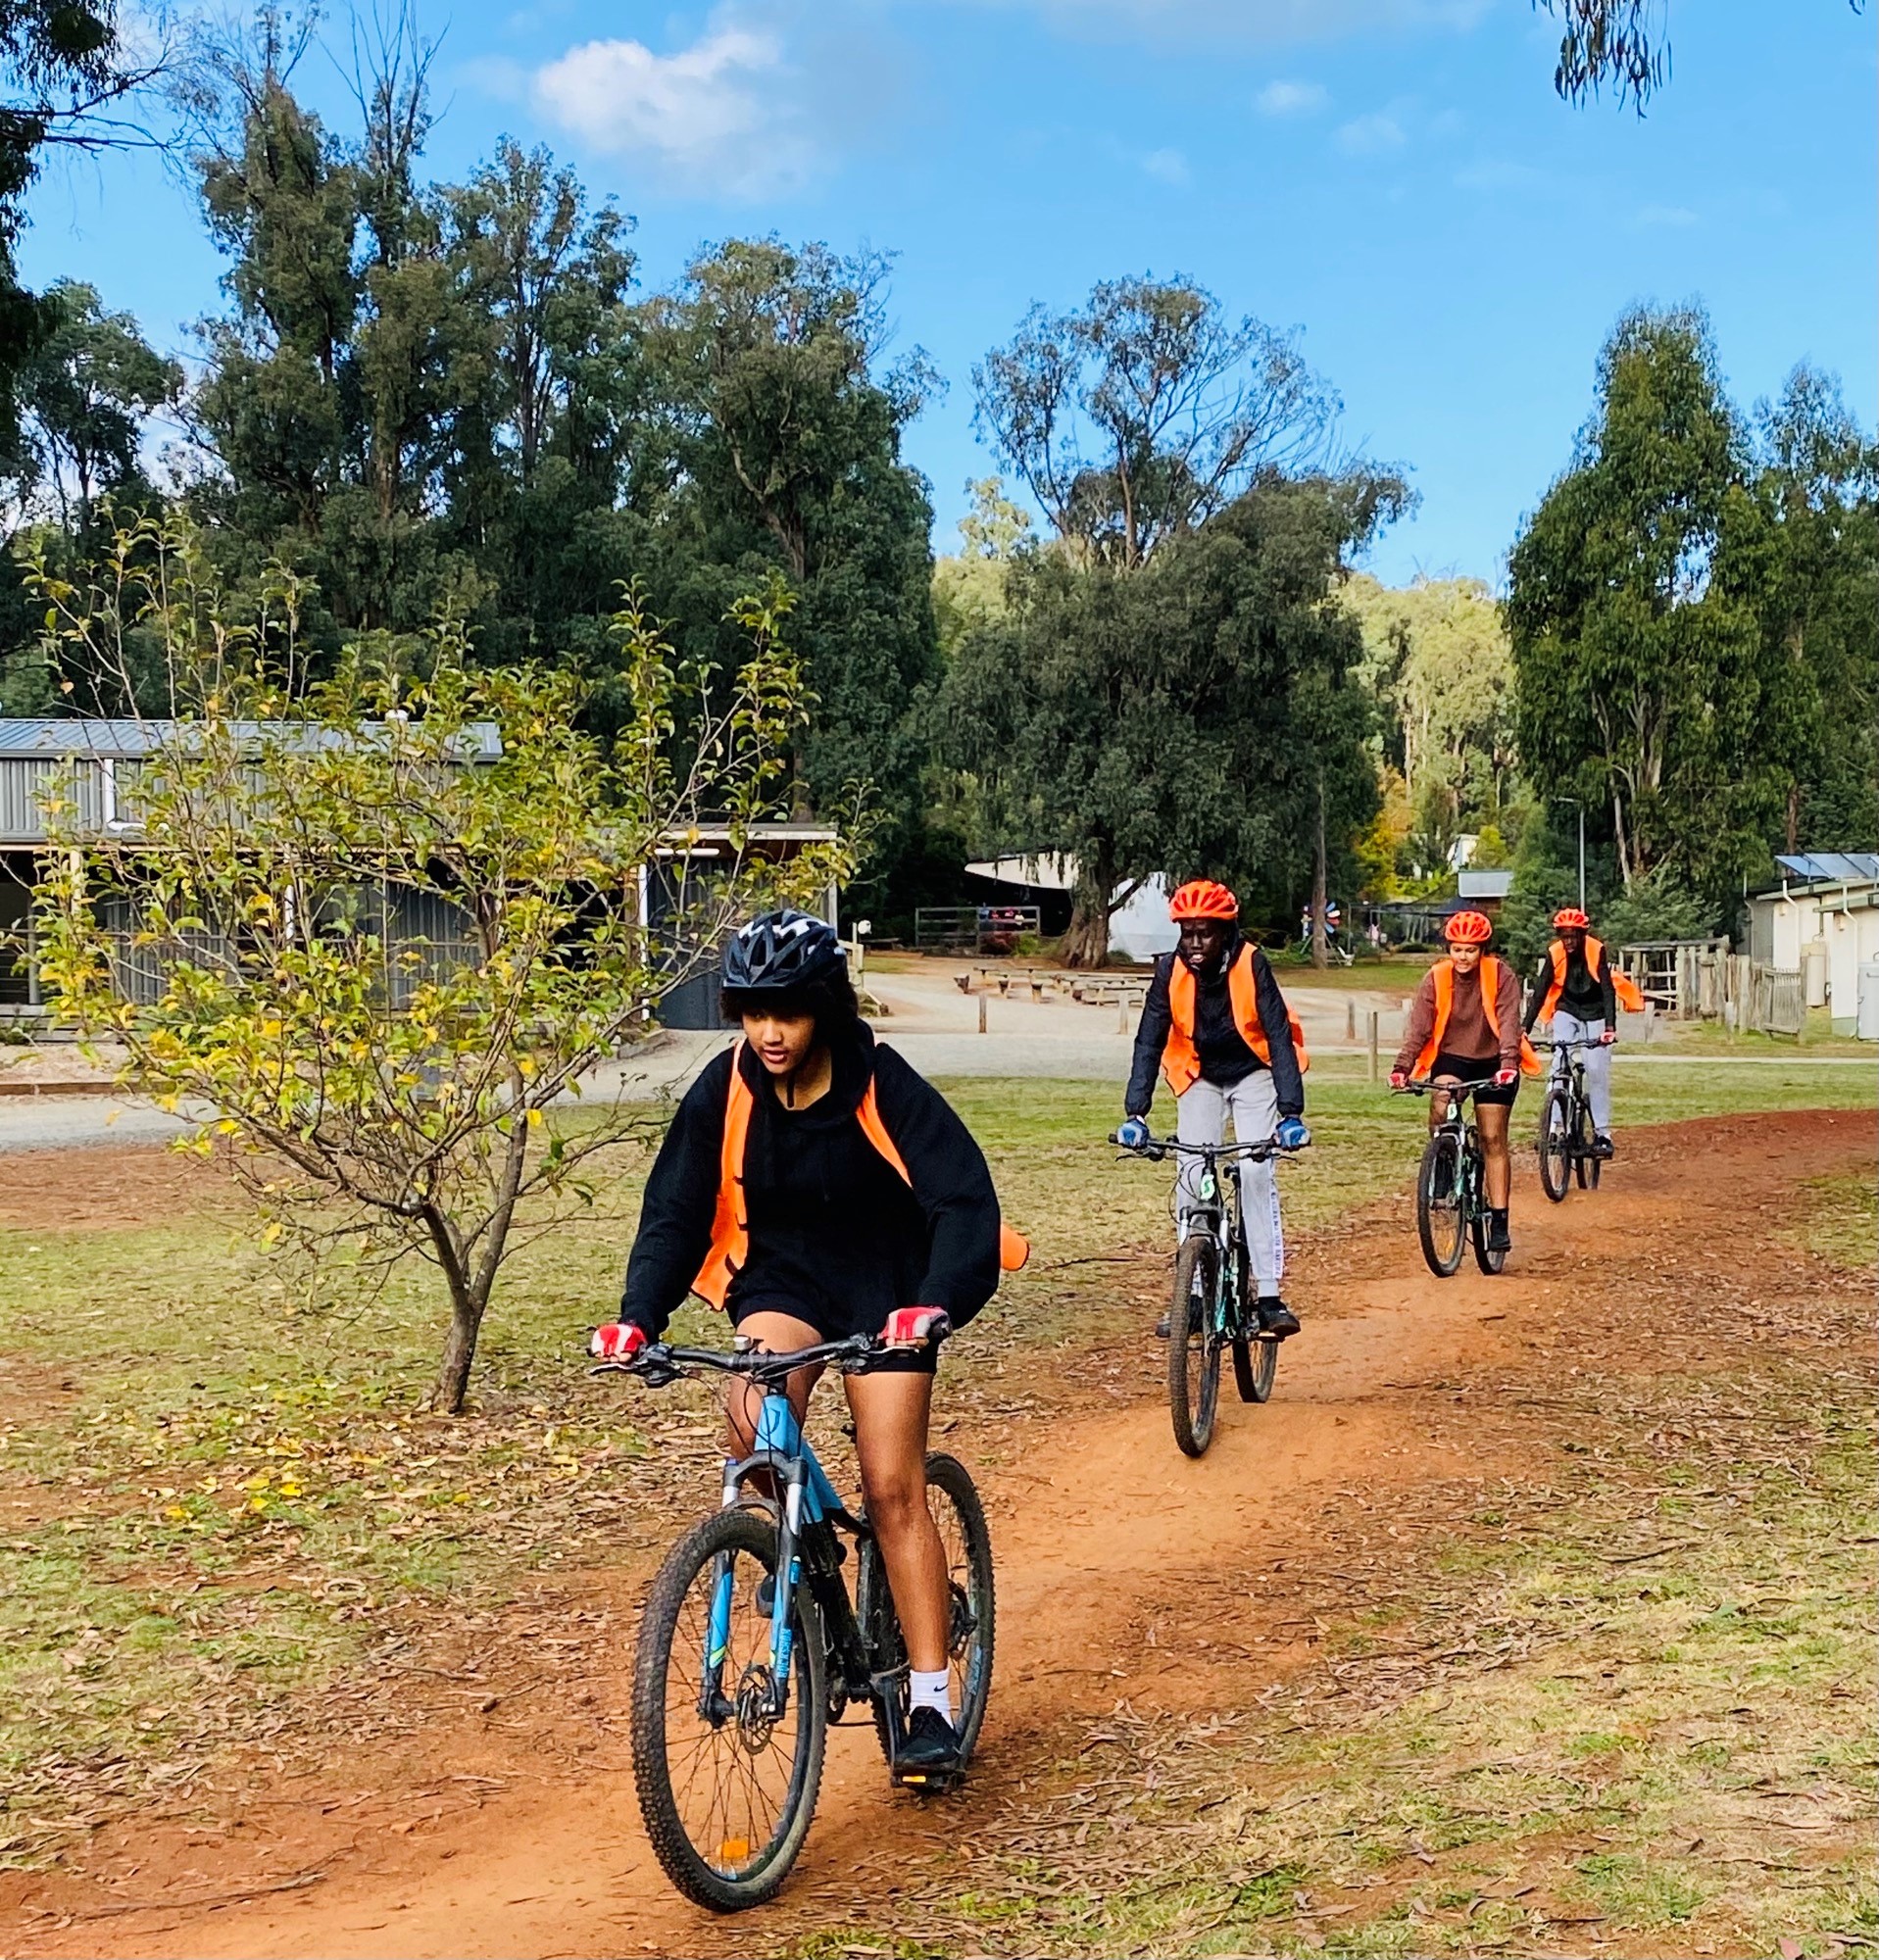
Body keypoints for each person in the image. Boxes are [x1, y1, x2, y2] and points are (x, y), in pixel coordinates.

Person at [588, 909, 1023, 1780]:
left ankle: (930, 1700)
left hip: (887, 1287)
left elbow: (962, 1203)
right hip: (783, 1281)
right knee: (748, 1415)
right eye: (751, 1011)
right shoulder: (728, 1086)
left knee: (892, 1485)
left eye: (785, 1011)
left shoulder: (879, 1083)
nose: (768, 1031)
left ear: (822, 1006)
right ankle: (801, 1553)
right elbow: (674, 1211)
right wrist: (640, 1313)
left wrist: (933, 1303)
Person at [1117, 880, 1310, 1339]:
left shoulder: (1252, 964)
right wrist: (1135, 1113)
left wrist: (1290, 1113)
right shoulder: (1168, 971)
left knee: (1255, 1172)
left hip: (1254, 1072)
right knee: (1189, 1178)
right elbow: (1149, 1039)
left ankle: (1267, 1295)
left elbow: (1280, 1038)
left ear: (1226, 931)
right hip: (1199, 1073)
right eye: (1187, 933)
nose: (1195, 943)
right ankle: (1196, 1296)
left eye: (1205, 932)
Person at [1389, 910, 1540, 1253]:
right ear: (1449, 949)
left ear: (1482, 949)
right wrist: (1403, 1067)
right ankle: (1442, 1163)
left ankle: (1499, 1220)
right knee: (1441, 1101)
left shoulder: (1500, 975)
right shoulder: (1436, 977)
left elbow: (1507, 1022)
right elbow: (1419, 1028)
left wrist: (1507, 1063)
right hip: (1453, 1057)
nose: (1463, 956)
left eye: (1470, 950)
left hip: (1494, 1059)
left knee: (1492, 1137)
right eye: (1457, 949)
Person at [1522, 906, 1643, 1157]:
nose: (1568, 942)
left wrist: (1610, 1027)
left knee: (1596, 1069)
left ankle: (1602, 1134)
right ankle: (1553, 1130)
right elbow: (1542, 989)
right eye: (1563, 936)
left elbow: (1608, 990)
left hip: (1596, 1011)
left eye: (1573, 936)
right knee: (1558, 1064)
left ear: (1582, 934)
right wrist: (1524, 1027)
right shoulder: (1555, 953)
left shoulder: (1595, 949)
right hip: (1567, 1008)